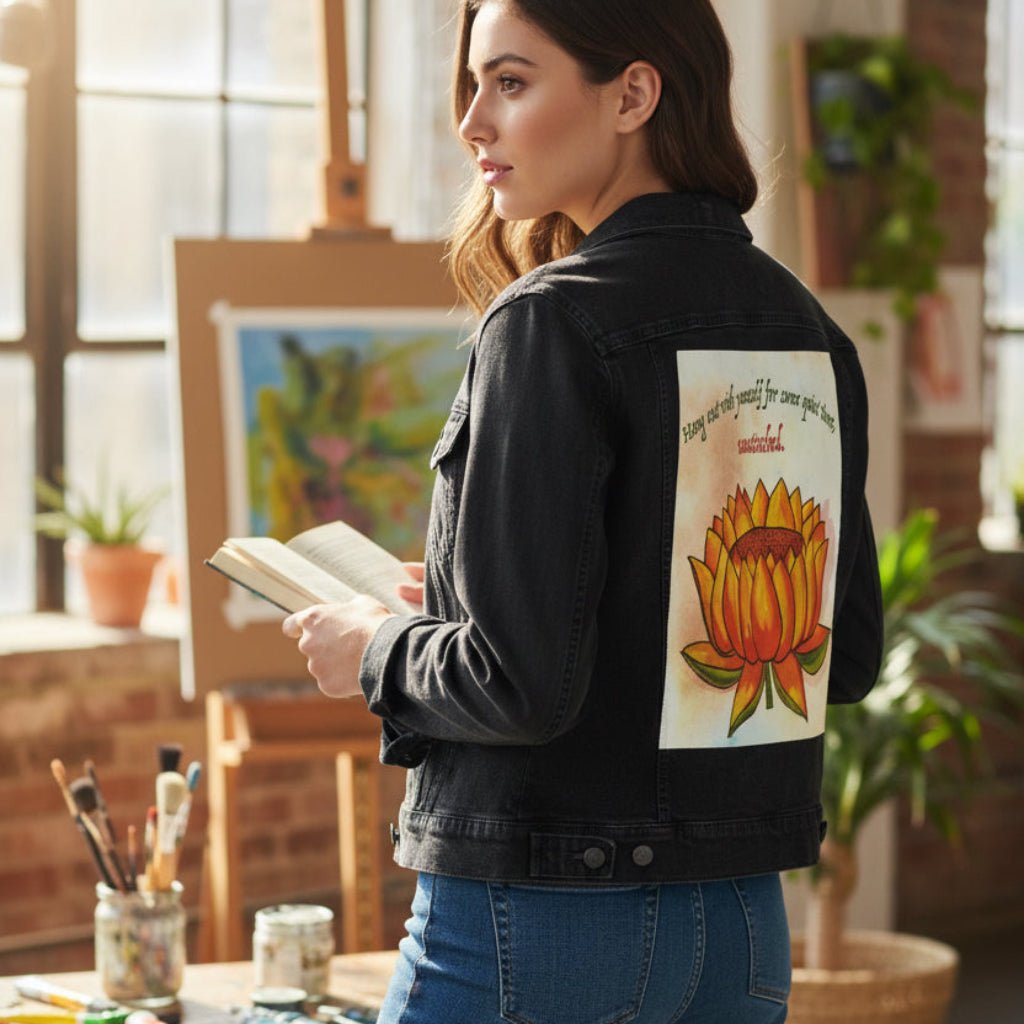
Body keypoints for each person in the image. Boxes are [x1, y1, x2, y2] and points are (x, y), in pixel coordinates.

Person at [282, 1, 884, 1021]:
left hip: (541, 911)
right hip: (739, 921)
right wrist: (497, 601)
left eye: (510, 83)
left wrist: (375, 647)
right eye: (473, 84)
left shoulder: (548, 319)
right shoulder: (806, 328)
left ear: (632, 95)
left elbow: (518, 687)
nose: (472, 121)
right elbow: (843, 653)